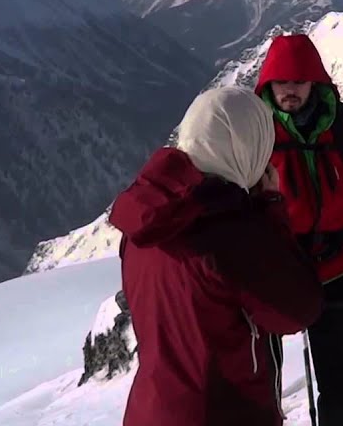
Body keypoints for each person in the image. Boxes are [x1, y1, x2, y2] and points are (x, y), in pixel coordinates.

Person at [111, 87, 325, 426]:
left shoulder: (145, 222)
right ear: (245, 148)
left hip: (149, 412)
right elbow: (299, 307)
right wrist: (271, 212)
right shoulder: (231, 233)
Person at [255, 34, 343, 425]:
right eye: (281, 82)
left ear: (315, 82)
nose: (289, 90)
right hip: (274, 276)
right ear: (268, 85)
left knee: (337, 378)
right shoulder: (256, 131)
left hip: (337, 269)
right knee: (262, 384)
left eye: (298, 81)